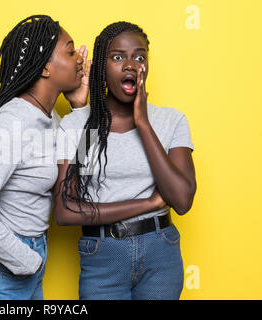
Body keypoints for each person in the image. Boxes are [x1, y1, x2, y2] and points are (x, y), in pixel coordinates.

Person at [0, 14, 91, 300]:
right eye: (70, 50)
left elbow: (83, 177)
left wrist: (79, 110)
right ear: (45, 69)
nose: (80, 58)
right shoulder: (15, 121)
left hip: (22, 267)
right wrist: (27, 261)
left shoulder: (50, 118)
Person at [53, 21, 196, 300]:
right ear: (101, 68)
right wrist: (148, 203)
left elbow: (182, 200)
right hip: (104, 255)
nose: (130, 65)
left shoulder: (171, 120)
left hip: (161, 255)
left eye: (139, 57)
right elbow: (66, 210)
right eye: (118, 57)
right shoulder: (82, 126)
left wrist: (143, 124)